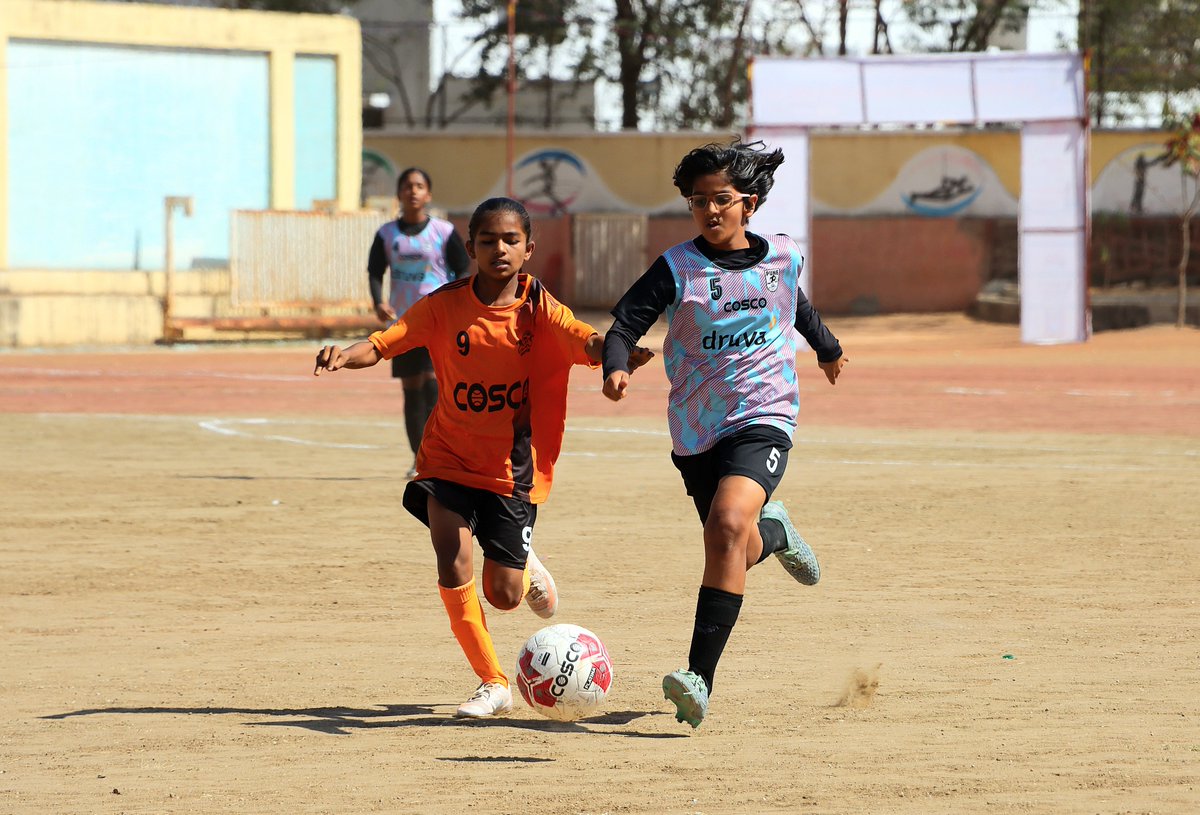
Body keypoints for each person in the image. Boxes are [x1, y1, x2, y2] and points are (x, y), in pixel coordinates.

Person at [317, 197, 651, 719]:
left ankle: (525, 559)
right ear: (469, 247)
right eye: (488, 240)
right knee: (451, 559)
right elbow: (385, 343)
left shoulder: (540, 310)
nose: (500, 248)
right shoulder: (443, 304)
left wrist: (616, 357)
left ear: (529, 249)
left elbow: (585, 340)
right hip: (446, 457)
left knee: (504, 594)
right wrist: (345, 354)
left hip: (509, 472)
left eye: (511, 240)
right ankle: (493, 681)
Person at [601, 140, 848, 729]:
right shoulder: (677, 268)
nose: (710, 211)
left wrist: (828, 348)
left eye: (721, 200)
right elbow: (624, 323)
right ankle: (777, 533)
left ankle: (698, 679)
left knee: (726, 525)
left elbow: (796, 308)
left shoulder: (782, 258)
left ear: (750, 204)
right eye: (697, 202)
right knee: (732, 542)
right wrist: (614, 363)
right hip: (695, 427)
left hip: (765, 414)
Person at [368, 167, 471, 479]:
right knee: (411, 390)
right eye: (407, 186)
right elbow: (374, 270)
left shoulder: (443, 231)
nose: (413, 191)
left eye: (419, 186)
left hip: (437, 321)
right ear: (399, 193)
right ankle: (418, 458)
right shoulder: (387, 234)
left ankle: (438, 456)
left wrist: (456, 302)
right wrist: (378, 301)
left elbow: (463, 269)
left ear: (428, 194)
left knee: (433, 386)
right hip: (403, 324)